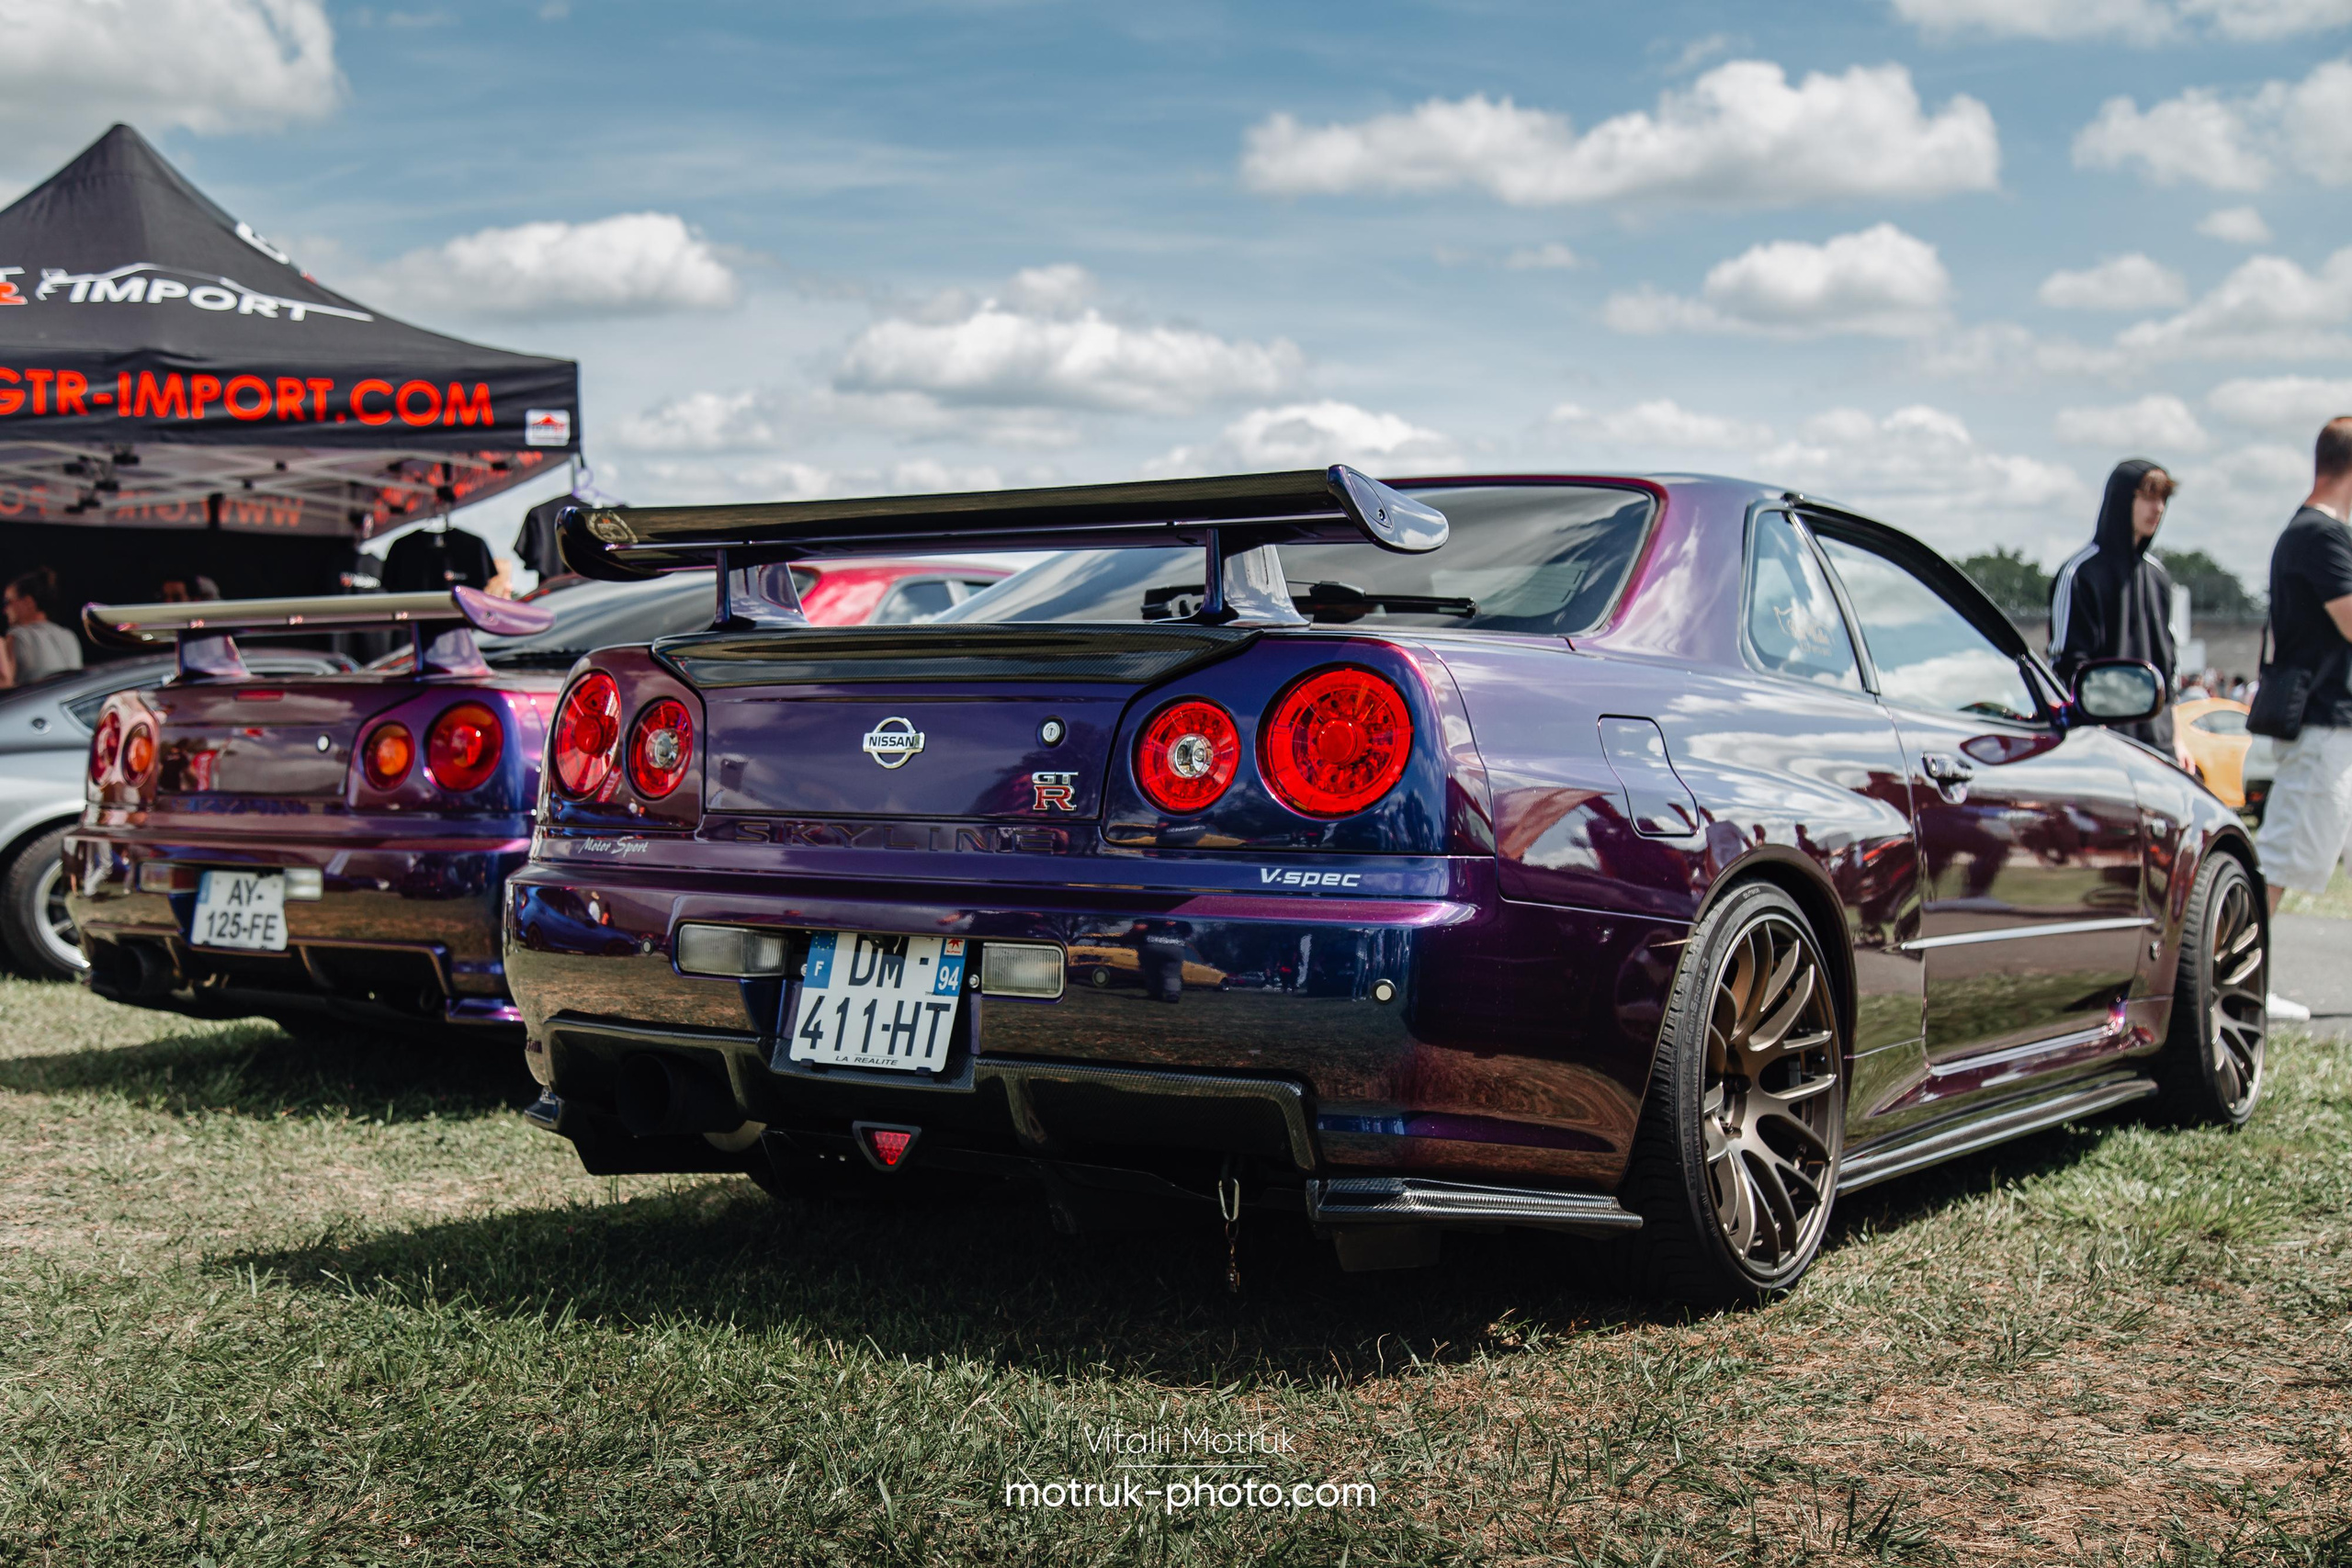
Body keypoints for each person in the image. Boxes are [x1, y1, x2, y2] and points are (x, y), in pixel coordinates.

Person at [2253, 418, 2352, 1021]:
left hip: (2323, 725)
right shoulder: (2320, 536)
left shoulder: (2311, 531)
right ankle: (2242, 979)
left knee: (2291, 855)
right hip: (2321, 726)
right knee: (2285, 857)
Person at [2051, 457, 2191, 766]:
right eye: (2148, 497)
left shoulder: (2158, 576)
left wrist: (2178, 740)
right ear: (2121, 500)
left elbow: (2170, 670)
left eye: (2163, 499)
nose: (2158, 509)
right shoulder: (2080, 572)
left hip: (2161, 747)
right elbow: (2066, 665)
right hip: (2106, 748)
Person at [0, 568, 85, 688]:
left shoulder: (17, 636)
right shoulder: (69, 636)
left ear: (28, 602)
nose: (4, 610)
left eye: (8, 602)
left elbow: (4, 686)